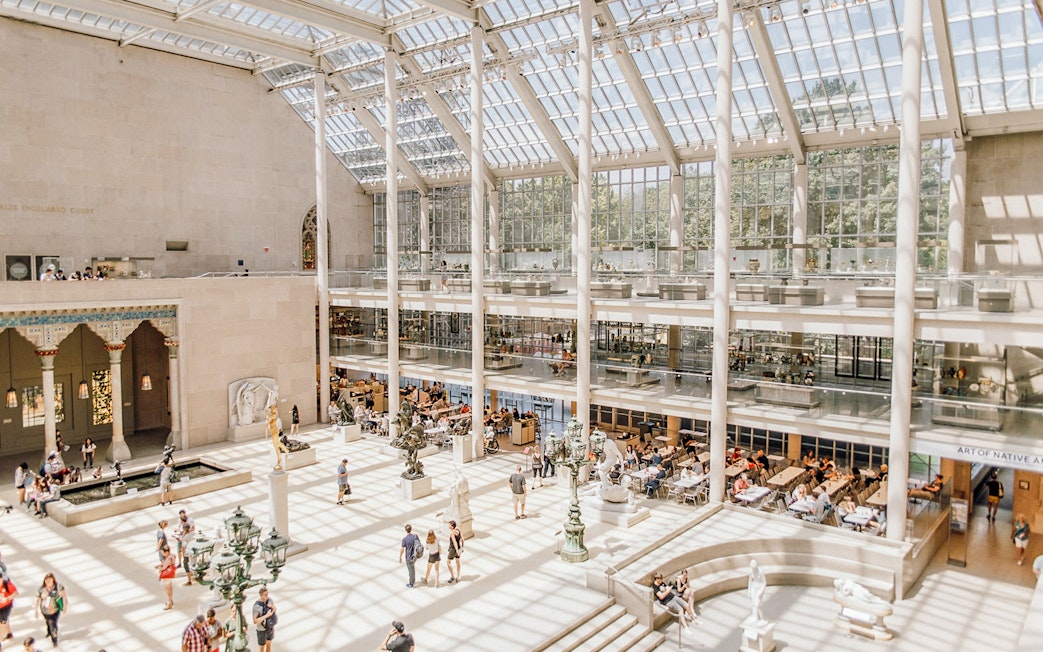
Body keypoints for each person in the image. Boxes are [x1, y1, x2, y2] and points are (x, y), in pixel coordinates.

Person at [34, 573, 66, 647]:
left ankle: (54, 639)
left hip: (55, 610)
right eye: (46, 580)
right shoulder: (41, 589)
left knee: (53, 624)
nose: (48, 582)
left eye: (50, 581)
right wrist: (36, 610)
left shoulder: (58, 587)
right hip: (45, 611)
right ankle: (49, 631)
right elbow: (37, 599)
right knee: (48, 622)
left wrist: (64, 606)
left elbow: (64, 596)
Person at [175, 509, 196, 586]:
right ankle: (194, 574)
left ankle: (189, 580)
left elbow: (183, 547)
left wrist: (183, 553)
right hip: (193, 551)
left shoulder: (185, 537)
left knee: (186, 564)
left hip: (187, 553)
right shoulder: (193, 534)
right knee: (193, 562)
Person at [251, 586, 276, 652]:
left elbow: (274, 609)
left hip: (269, 627)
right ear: (261, 595)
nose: (267, 596)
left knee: (269, 644)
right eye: (265, 595)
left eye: (267, 594)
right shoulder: (257, 606)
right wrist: (267, 615)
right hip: (261, 629)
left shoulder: (269, 600)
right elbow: (255, 621)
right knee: (262, 647)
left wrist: (272, 607)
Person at [157, 545, 176, 610]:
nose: (163, 554)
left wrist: (159, 567)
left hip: (166, 576)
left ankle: (169, 603)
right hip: (169, 575)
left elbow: (164, 568)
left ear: (166, 552)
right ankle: (170, 601)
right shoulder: (172, 556)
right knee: (170, 588)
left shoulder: (168, 559)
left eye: (163, 553)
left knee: (167, 590)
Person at [0, 571, 17, 641]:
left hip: (6, 607)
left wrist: (7, 598)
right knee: (4, 622)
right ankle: (9, 634)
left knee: (2, 624)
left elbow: (16, 593)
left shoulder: (7, 584)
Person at [446, 520, 463, 585]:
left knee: (448, 562)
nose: (448, 525)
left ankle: (453, 576)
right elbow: (462, 539)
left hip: (453, 549)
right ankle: (458, 576)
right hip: (459, 548)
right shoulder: (458, 530)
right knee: (458, 561)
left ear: (452, 526)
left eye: (449, 524)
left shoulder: (452, 533)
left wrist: (456, 551)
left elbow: (454, 542)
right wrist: (461, 548)